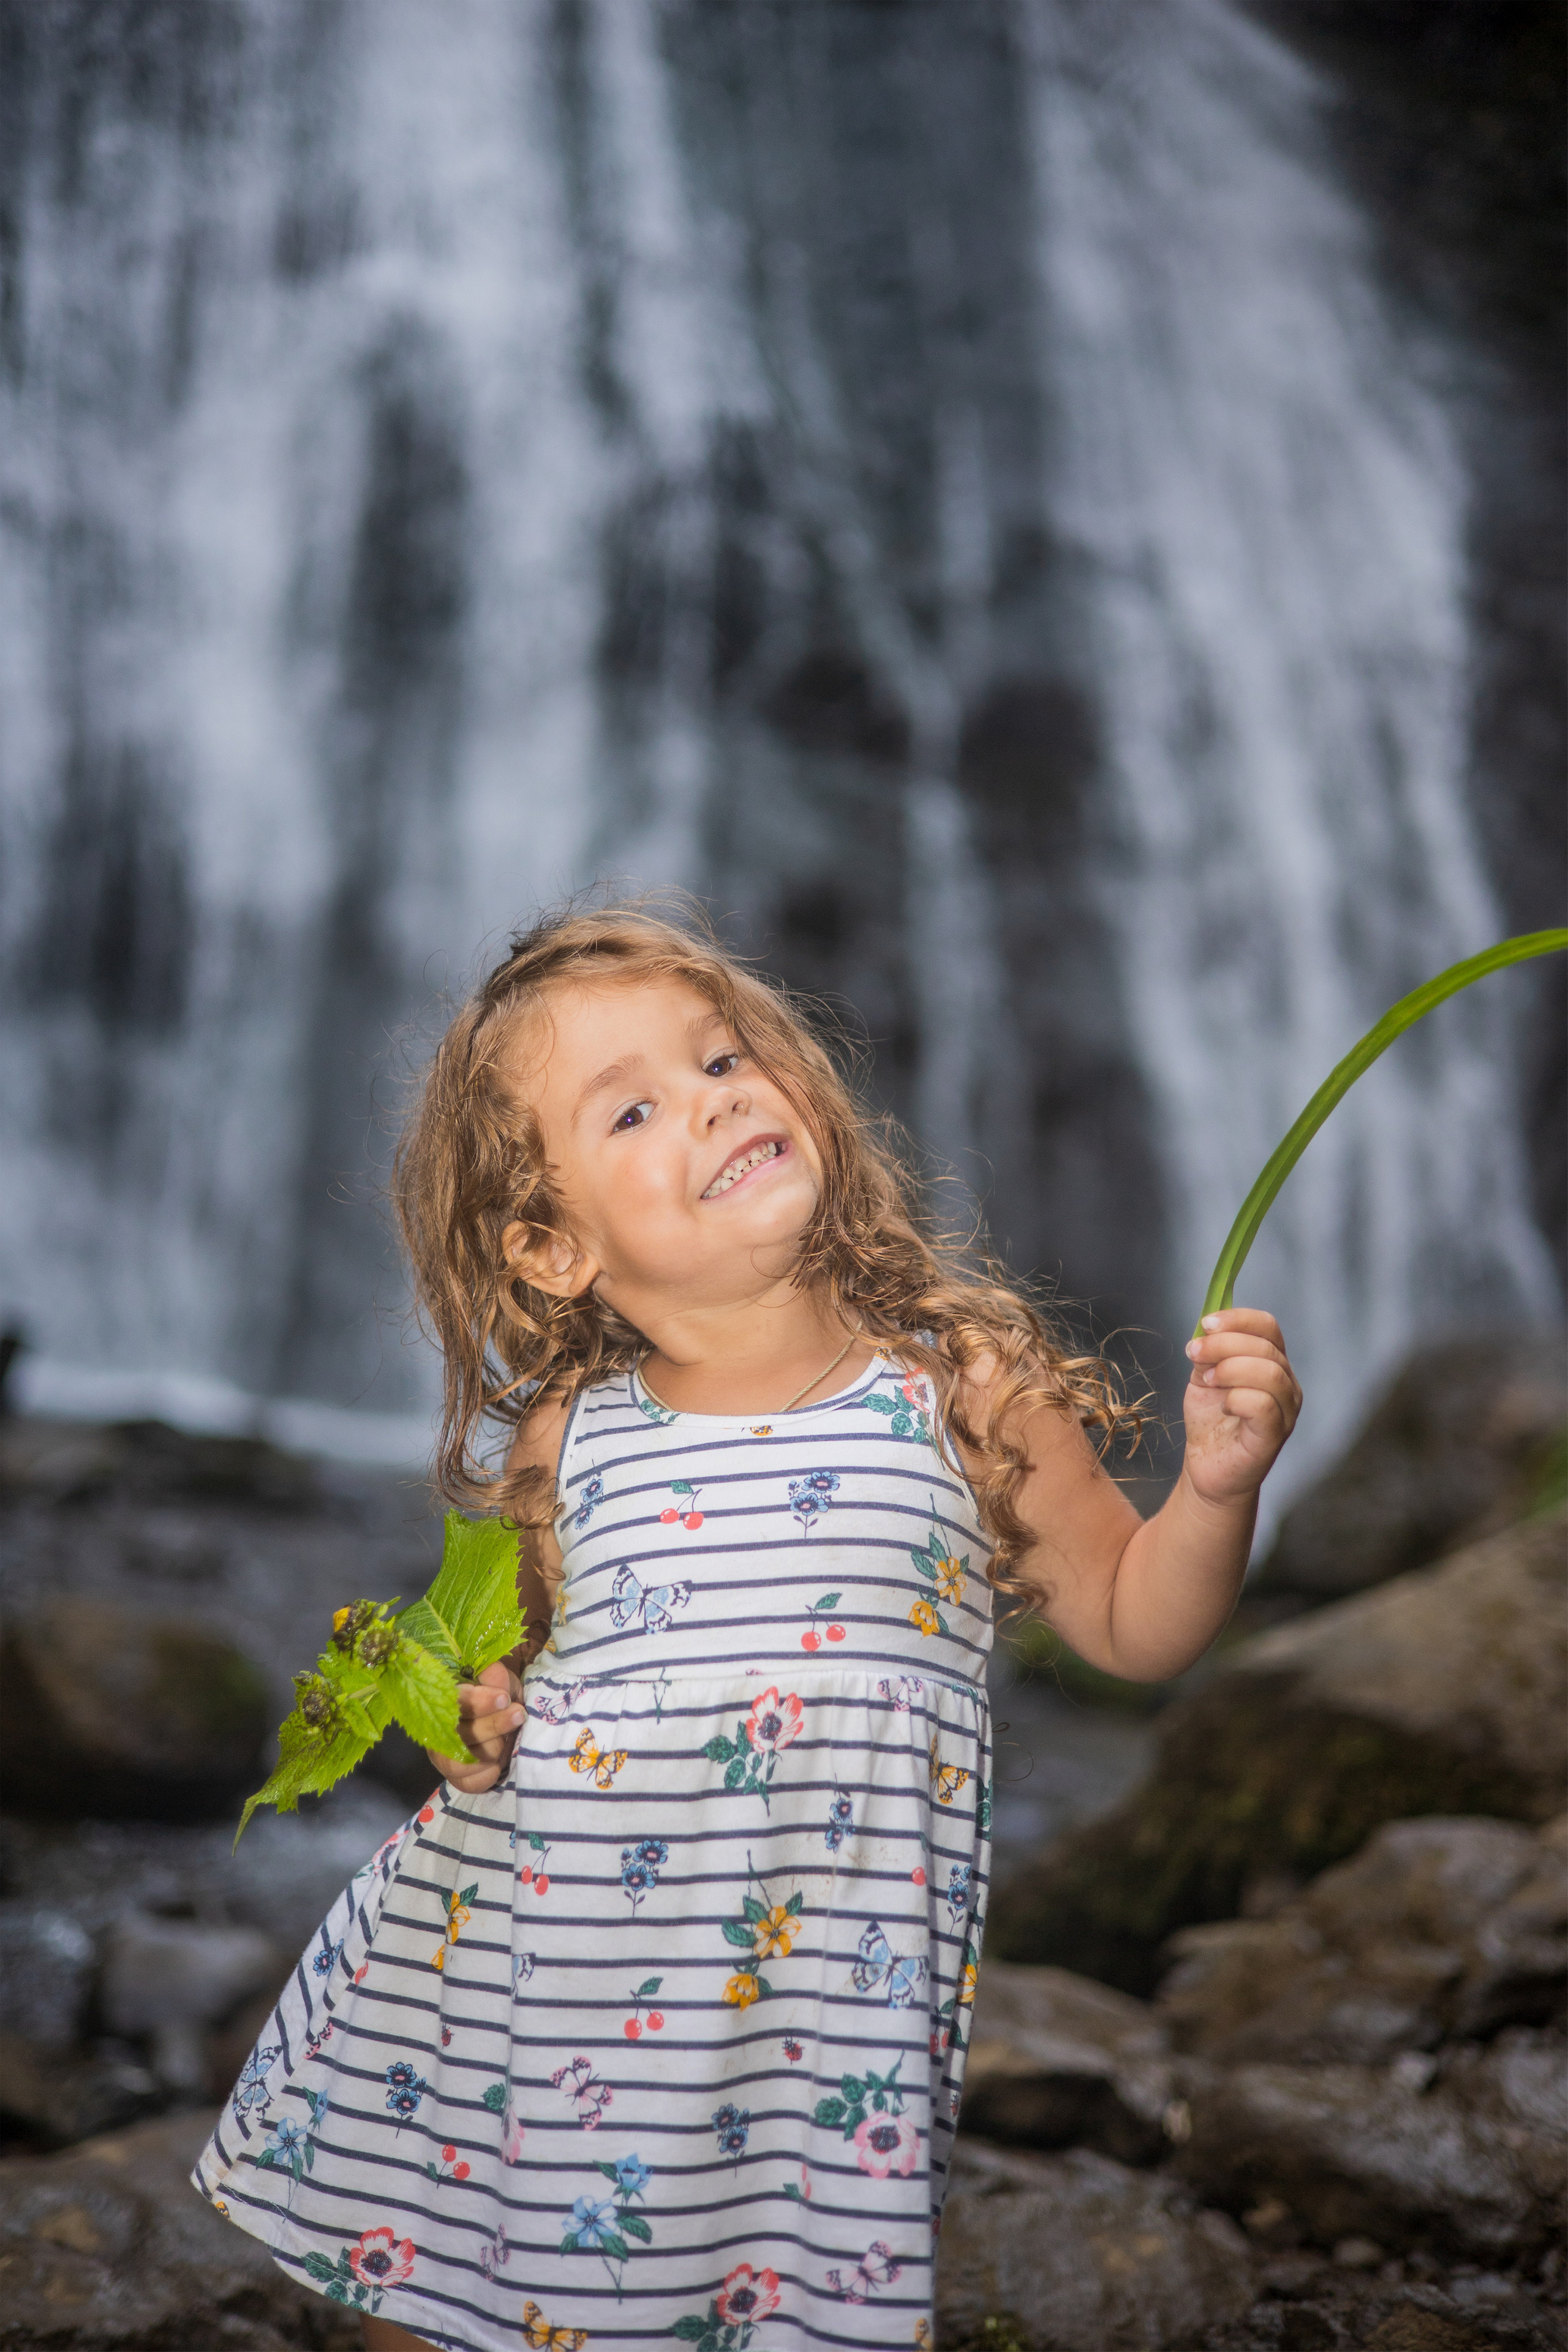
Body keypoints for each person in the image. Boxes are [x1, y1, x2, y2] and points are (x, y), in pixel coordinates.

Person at [194, 902, 1301, 2352]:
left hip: (806, 2004)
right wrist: (471, 1720)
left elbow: (1130, 1623)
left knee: (770, 2295)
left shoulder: (961, 1385)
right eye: (637, 1107)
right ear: (548, 1247)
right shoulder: (565, 1439)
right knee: (468, 2296)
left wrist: (1217, 1491)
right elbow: (499, 1686)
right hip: (536, 1977)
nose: (713, 1098)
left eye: (724, 1059)